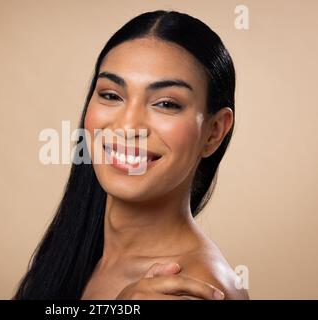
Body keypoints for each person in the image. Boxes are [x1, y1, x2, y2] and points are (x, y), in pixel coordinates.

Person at [14, 10, 249, 300]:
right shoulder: (79, 254)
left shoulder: (185, 290)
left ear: (214, 132)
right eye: (111, 95)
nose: (127, 126)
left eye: (165, 103)